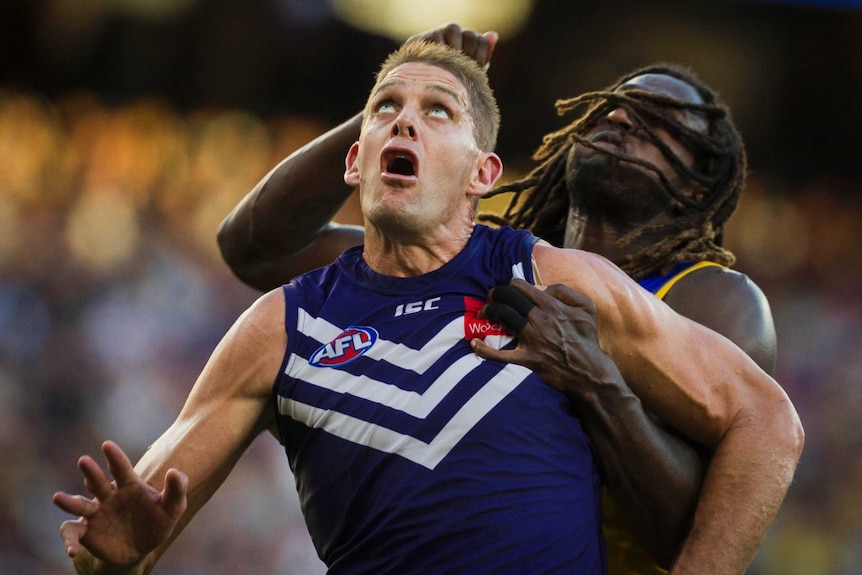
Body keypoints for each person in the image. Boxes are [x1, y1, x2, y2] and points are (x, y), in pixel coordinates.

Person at [54, 41, 802, 575]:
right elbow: (252, 246)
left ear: (482, 173)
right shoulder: (308, 312)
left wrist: (597, 380)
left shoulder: (672, 292)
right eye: (613, 109)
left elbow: (725, 485)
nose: (620, 124)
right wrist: (406, 92)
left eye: (656, 126)